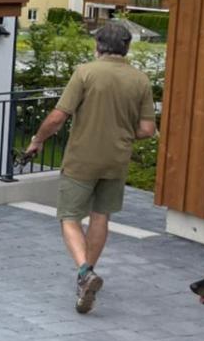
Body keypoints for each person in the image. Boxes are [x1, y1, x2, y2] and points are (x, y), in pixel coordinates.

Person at [23, 20, 157, 314]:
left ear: (98, 45)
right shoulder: (140, 80)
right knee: (100, 216)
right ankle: (86, 278)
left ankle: (85, 272)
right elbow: (147, 129)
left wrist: (37, 140)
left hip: (82, 159)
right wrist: (123, 135)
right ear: (127, 47)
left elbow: (58, 117)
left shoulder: (85, 72)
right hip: (117, 159)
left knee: (69, 216)